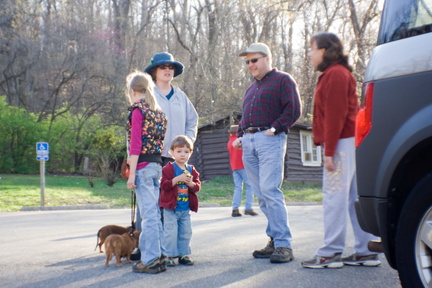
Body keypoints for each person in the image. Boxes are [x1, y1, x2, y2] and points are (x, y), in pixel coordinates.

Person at [301, 32, 380, 269]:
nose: (309, 54)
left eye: (312, 49)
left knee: (334, 197)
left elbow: (335, 117)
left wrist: (329, 152)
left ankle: (330, 252)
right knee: (352, 199)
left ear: (324, 51)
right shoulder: (337, 73)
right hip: (349, 142)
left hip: (342, 143)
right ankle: (365, 251)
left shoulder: (334, 74)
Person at [233, 43, 302, 263]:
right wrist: (240, 135)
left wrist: (274, 129)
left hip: (269, 140)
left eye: (254, 60)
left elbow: (293, 109)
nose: (250, 65)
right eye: (247, 62)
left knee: (271, 191)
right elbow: (245, 116)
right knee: (262, 195)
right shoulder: (251, 88)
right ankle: (274, 240)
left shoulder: (283, 80)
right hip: (249, 142)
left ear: (267, 59)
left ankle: (284, 245)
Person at [132, 52, 199, 260]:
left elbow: (192, 121)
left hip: (174, 159)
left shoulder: (180, 96)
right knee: (147, 206)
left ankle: (172, 249)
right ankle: (143, 247)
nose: (167, 70)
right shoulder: (148, 94)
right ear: (154, 71)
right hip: (151, 157)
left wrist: (185, 144)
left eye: (170, 67)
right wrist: (131, 159)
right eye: (163, 67)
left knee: (173, 205)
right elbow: (135, 130)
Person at [125, 71, 168, 274]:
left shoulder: (137, 111)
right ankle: (159, 256)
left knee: (149, 216)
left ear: (132, 91)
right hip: (156, 166)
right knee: (155, 215)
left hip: (142, 167)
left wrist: (131, 174)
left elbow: (135, 146)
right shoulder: (158, 112)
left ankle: (149, 259)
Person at [159, 135, 201, 266]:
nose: (182, 154)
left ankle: (184, 255)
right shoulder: (168, 169)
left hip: (185, 208)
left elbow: (197, 187)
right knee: (170, 233)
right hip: (171, 208)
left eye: (186, 151)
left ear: (190, 153)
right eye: (179, 151)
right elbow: (163, 185)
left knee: (186, 232)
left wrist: (191, 184)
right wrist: (177, 179)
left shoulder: (191, 169)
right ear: (172, 153)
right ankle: (169, 256)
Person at [227, 124, 257, 217]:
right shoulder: (240, 141)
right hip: (243, 165)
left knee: (238, 188)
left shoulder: (229, 142)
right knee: (250, 186)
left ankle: (235, 209)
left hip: (234, 167)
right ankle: (248, 208)